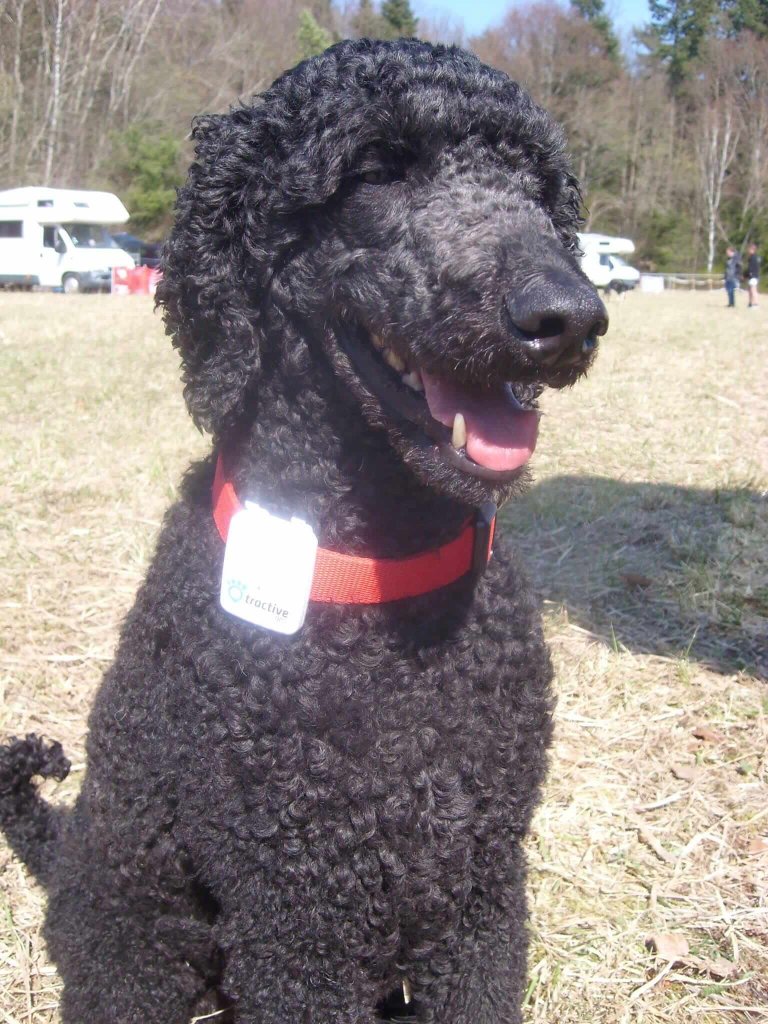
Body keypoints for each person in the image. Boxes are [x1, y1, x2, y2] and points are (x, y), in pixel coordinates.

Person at [745, 242, 760, 308]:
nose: (748, 250)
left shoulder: (754, 258)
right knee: (750, 291)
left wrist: (749, 274)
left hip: (753, 276)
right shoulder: (751, 257)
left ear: (752, 249)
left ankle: (756, 304)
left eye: (749, 249)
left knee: (753, 291)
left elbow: (752, 268)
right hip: (751, 277)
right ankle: (750, 303)